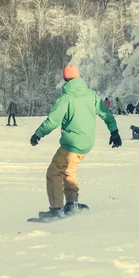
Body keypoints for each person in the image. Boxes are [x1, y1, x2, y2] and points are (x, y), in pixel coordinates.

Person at [30, 65, 122, 218]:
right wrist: (114, 132)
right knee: (69, 169)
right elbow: (106, 113)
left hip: (72, 143)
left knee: (54, 172)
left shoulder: (66, 98)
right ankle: (72, 204)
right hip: (86, 143)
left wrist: (38, 134)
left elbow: (53, 121)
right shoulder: (91, 95)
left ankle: (56, 210)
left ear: (65, 79)